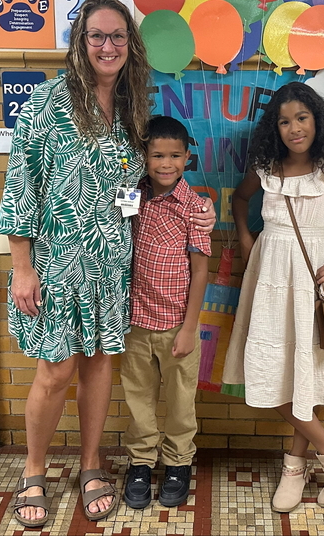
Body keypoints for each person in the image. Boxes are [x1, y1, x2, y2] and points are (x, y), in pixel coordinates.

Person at [0, 0, 215, 529]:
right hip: (56, 262)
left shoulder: (134, 108)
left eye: (118, 36)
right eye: (97, 35)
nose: (108, 46)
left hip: (113, 265)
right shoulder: (44, 104)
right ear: (80, 41)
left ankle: (91, 464)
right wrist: (22, 266)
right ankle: (34, 470)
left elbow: (148, 182)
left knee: (98, 364)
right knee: (56, 369)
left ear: (131, 44)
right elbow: (20, 188)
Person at [223, 81, 324, 513]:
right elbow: (240, 200)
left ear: (317, 120)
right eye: (285, 121)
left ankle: (297, 463)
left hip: (315, 271)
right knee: (271, 371)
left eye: (302, 118)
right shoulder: (266, 165)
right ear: (275, 128)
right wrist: (243, 236)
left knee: (303, 369)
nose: (294, 128)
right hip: (269, 274)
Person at [120, 115, 211, 510]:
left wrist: (190, 328)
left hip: (178, 326)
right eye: (157, 155)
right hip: (134, 323)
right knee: (138, 398)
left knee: (180, 402)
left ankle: (178, 463)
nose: (165, 163)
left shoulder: (194, 206)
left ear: (187, 157)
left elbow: (201, 268)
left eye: (175, 155)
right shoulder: (131, 194)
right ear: (144, 156)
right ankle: (141, 462)